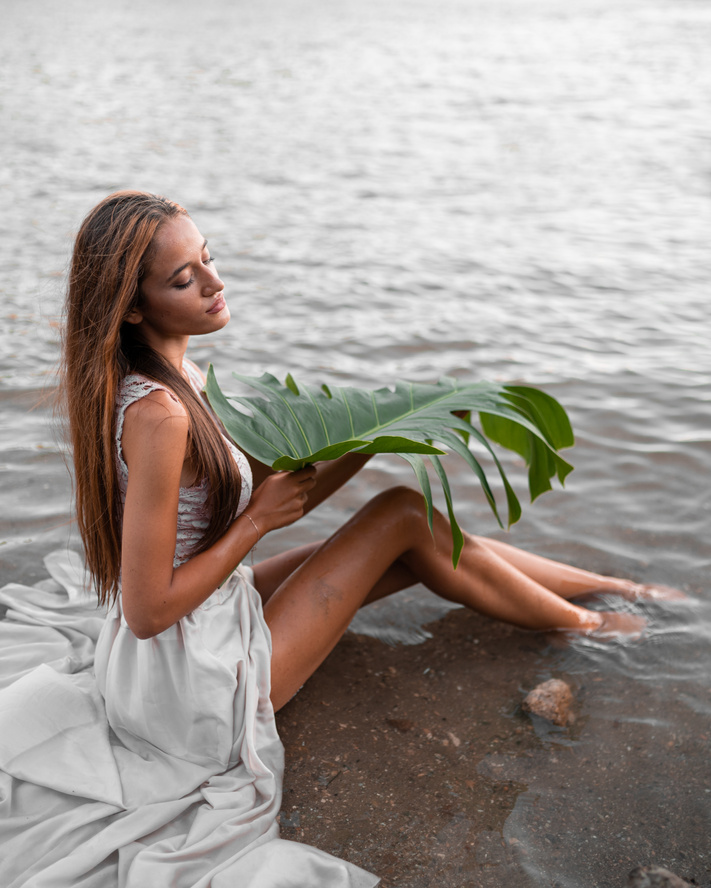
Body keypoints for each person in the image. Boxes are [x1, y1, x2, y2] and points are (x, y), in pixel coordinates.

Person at [0, 191, 679, 888]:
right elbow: (149, 607)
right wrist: (259, 521)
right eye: (184, 278)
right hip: (190, 688)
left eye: (208, 259)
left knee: (405, 533)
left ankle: (611, 590)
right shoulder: (159, 414)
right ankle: (589, 624)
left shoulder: (174, 379)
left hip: (192, 634)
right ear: (132, 306)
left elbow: (272, 500)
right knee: (401, 518)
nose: (214, 282)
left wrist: (369, 440)